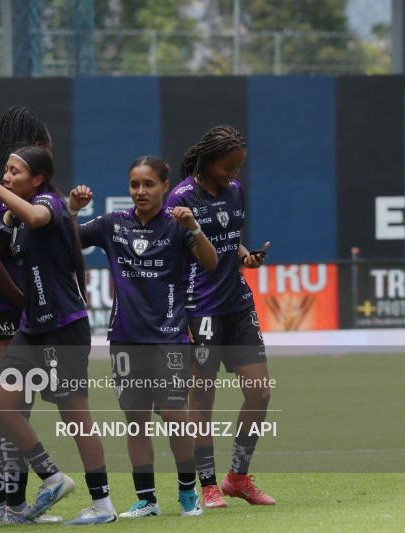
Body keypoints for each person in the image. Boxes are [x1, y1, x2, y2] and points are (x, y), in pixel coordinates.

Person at [0, 143, 119, 526]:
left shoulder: (47, 202)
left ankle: (103, 505)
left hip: (64, 327)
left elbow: (38, 217)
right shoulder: (14, 214)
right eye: (4, 171)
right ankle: (52, 477)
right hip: (32, 328)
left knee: (75, 418)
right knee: (0, 402)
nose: (6, 177)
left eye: (14, 172)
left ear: (38, 179)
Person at [68, 156, 218, 518]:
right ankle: (147, 499)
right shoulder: (112, 224)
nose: (140, 191)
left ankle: (188, 493)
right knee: (136, 421)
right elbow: (68, 240)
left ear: (165, 186)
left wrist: (195, 227)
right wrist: (72, 210)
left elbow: (211, 262)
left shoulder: (178, 224)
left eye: (148, 184)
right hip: (124, 339)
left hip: (169, 340)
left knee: (175, 417)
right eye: (134, 184)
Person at [164, 125, 275, 508]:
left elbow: (227, 237)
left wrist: (245, 256)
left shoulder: (235, 191)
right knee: (202, 401)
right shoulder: (180, 198)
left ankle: (237, 478)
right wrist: (179, 316)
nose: (234, 174)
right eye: (228, 167)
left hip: (239, 305)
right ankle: (208, 485)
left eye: (238, 167)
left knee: (260, 392)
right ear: (208, 162)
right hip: (200, 310)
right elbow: (172, 255)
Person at [0, 107, 60, 525]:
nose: (50, 153)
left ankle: (2, 504)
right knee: (14, 409)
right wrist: (26, 302)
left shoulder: (3, 191)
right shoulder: (9, 198)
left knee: (8, 408)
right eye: (46, 146)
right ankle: (9, 505)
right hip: (6, 311)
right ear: (33, 146)